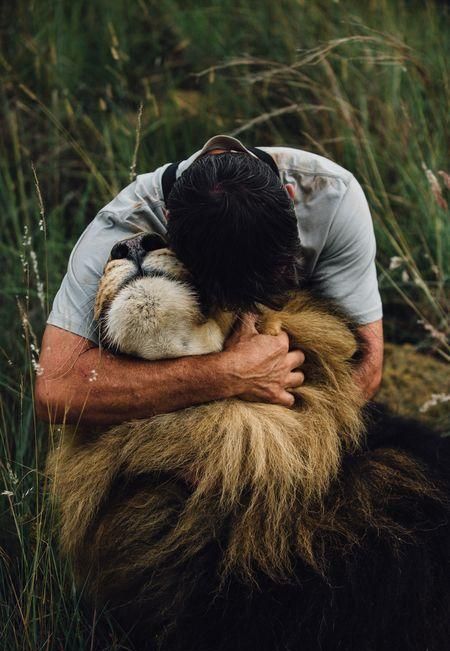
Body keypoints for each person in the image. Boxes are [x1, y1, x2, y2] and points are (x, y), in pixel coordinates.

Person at [35, 135, 383, 426]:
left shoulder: (330, 195)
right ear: (167, 222)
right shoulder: (122, 227)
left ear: (289, 199)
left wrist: (292, 460)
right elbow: (55, 392)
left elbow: (366, 371)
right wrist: (227, 374)